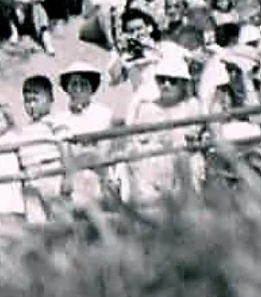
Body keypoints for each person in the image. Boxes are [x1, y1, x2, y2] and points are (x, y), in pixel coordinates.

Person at [123, 49, 204, 205]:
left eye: (172, 80)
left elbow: (192, 136)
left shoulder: (192, 106)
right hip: (152, 165)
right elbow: (138, 140)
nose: (166, 84)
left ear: (182, 83)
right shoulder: (146, 108)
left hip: (181, 164)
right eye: (162, 79)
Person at [49, 61, 117, 203]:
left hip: (98, 171)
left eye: (84, 84)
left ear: (92, 88)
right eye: (74, 84)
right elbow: (63, 150)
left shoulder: (103, 113)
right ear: (67, 88)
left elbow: (104, 150)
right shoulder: (59, 118)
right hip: (72, 173)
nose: (78, 89)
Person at [15, 74, 65, 220]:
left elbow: (64, 146)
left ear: (50, 100)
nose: (31, 105)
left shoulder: (54, 122)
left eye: (35, 100)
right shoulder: (26, 128)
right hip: (30, 175)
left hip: (50, 171)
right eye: (27, 101)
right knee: (35, 216)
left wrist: (68, 176)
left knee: (58, 213)